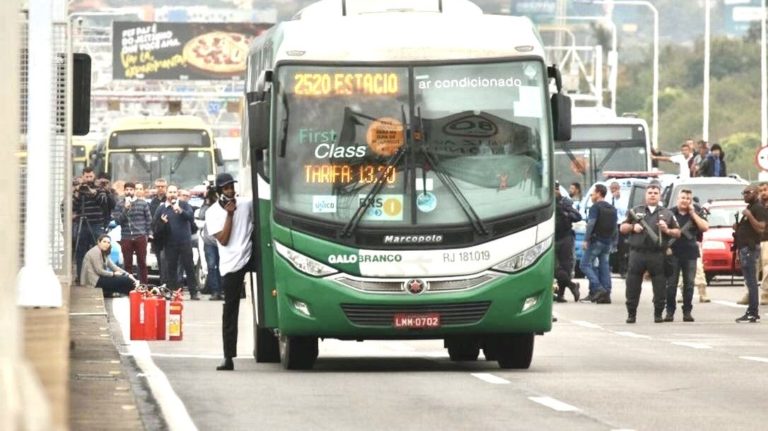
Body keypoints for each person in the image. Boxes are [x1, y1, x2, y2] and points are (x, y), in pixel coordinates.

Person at [206, 173, 253, 371]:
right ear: (219, 192)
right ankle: (228, 357)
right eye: (226, 188)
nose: (230, 191)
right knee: (231, 310)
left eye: (232, 187)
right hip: (231, 264)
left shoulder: (246, 203)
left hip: (251, 255)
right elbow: (224, 240)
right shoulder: (212, 213)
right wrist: (230, 215)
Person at [620, 182, 681, 323]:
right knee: (632, 285)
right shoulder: (635, 210)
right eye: (650, 193)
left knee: (660, 285)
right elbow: (622, 227)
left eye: (655, 193)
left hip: (657, 254)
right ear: (645, 194)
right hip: (638, 253)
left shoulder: (667, 213)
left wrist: (666, 230)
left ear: (660, 196)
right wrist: (633, 227)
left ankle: (658, 314)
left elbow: (678, 232)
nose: (652, 195)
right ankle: (631, 314)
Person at [664, 189, 709, 322]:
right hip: (673, 252)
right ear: (678, 199)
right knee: (671, 284)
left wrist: (693, 213)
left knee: (689, 284)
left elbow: (704, 227)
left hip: (690, 253)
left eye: (688, 198)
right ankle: (670, 312)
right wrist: (666, 247)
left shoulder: (696, 212)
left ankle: (687, 311)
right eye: (682, 198)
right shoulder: (669, 213)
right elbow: (663, 232)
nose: (685, 201)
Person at [153, 185, 200, 300]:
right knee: (171, 269)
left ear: (177, 194)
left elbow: (190, 217)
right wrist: (162, 223)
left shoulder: (184, 205)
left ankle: (193, 292)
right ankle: (173, 292)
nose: (172, 194)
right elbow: (155, 226)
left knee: (189, 267)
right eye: (170, 192)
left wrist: (180, 211)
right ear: (166, 194)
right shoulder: (161, 208)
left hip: (185, 241)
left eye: (174, 192)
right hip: (169, 243)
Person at [72, 167, 115, 283]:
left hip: (96, 224)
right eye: (86, 177)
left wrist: (93, 193)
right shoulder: (79, 189)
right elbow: (73, 206)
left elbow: (103, 202)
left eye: (91, 176)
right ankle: (81, 277)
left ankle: (101, 277)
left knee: (100, 251)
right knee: (81, 252)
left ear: (94, 176)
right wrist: (77, 191)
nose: (89, 179)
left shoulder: (99, 188)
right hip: (82, 224)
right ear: (83, 177)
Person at [734, 185, 767, 323]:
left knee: (752, 281)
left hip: (750, 249)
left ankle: (753, 312)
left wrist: (749, 216)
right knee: (749, 281)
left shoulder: (758, 208)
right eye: (744, 193)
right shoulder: (751, 207)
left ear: (756, 193)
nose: (745, 195)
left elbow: (761, 228)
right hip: (744, 248)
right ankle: (751, 311)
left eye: (748, 192)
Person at [579, 184, 617, 303]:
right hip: (607, 242)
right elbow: (615, 227)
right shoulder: (612, 208)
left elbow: (591, 224)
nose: (591, 196)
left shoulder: (595, 207)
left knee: (584, 264)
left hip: (596, 241)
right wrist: (614, 242)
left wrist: (586, 239)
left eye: (593, 193)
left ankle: (598, 288)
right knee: (604, 266)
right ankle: (606, 294)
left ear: (599, 193)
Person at [112, 182, 152, 284]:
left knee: (142, 262)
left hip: (140, 236)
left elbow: (148, 219)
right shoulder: (120, 204)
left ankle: (143, 285)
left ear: (134, 191)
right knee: (127, 263)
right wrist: (125, 209)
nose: (129, 192)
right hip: (126, 237)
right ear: (124, 191)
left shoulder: (142, 203)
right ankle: (129, 285)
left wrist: (148, 234)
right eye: (127, 190)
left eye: (131, 190)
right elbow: (117, 221)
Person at [553, 182, 581, 302]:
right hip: (552, 238)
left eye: (555, 189)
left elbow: (577, 216)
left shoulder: (565, 202)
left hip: (565, 237)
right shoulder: (546, 202)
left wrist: (565, 212)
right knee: (554, 267)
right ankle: (572, 285)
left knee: (565, 267)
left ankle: (561, 294)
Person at [198, 186, 224, 300]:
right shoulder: (206, 207)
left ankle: (222, 290)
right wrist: (207, 200)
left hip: (222, 240)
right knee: (211, 266)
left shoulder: (222, 205)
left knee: (222, 266)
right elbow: (201, 216)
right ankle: (215, 291)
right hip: (209, 241)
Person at [149, 178, 168, 284]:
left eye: (162, 186)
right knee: (160, 261)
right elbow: (151, 219)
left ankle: (169, 283)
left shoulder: (169, 200)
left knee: (168, 261)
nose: (160, 188)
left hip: (168, 235)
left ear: (166, 187)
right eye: (158, 186)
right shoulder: (153, 202)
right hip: (157, 236)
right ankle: (162, 283)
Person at [609, 181, 629, 277]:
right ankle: (610, 268)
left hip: (621, 224)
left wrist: (617, 203)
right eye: (612, 189)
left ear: (618, 188)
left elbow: (624, 211)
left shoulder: (623, 199)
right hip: (612, 225)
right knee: (611, 247)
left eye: (615, 189)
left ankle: (623, 270)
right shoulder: (609, 199)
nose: (613, 191)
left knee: (622, 248)